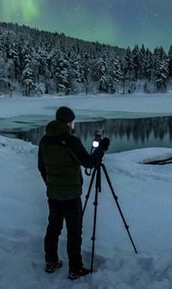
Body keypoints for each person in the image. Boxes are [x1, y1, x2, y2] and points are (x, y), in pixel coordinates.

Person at [38, 106, 110, 280]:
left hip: (53, 194)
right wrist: (102, 148)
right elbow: (89, 162)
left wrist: (51, 183)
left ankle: (51, 261)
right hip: (71, 195)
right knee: (74, 232)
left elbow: (41, 167)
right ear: (69, 122)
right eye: (72, 121)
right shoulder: (71, 141)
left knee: (53, 228)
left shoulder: (45, 140)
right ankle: (75, 268)